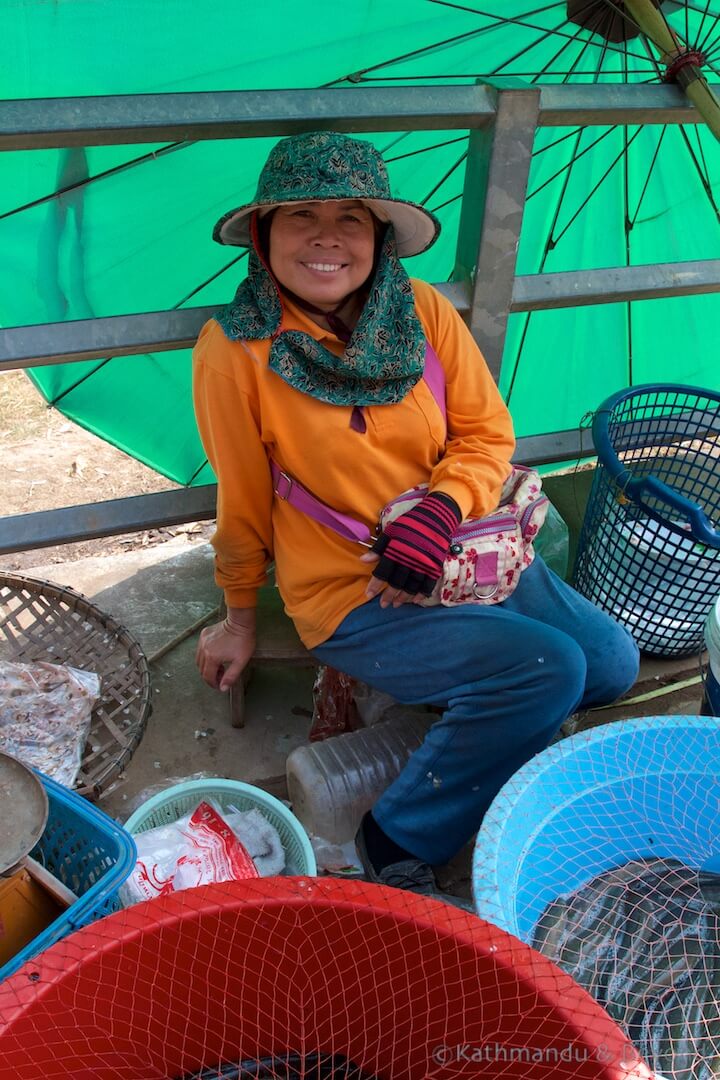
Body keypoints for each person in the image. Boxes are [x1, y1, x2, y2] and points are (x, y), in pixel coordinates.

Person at [193, 131, 639, 908]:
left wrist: (441, 506)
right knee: (548, 671)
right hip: (354, 588)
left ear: (379, 237)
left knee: (609, 665)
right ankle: (398, 833)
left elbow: (486, 434)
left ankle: (480, 705)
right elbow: (241, 502)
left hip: (466, 553)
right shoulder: (236, 350)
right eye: (301, 214)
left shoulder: (425, 311)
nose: (327, 237)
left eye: (351, 218)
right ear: (263, 237)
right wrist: (238, 617)